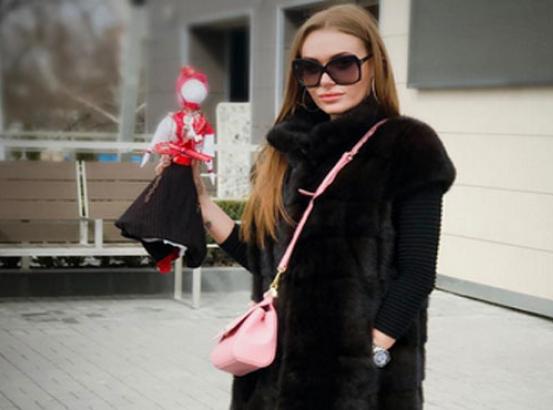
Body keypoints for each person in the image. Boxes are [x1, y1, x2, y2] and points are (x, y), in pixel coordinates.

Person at [162, 4, 455, 409]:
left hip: (358, 387)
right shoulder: (286, 150)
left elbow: (417, 273)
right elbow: (267, 261)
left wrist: (368, 353)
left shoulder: (407, 146)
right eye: (310, 69)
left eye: (343, 65)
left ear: (374, 65)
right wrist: (203, 205)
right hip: (273, 376)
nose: (326, 81)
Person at [115, 66, 215, 273]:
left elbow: (208, 150)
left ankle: (172, 252)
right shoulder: (174, 119)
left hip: (188, 175)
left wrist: (209, 166)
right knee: (138, 218)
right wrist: (151, 153)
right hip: (172, 172)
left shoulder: (203, 124)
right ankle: (164, 253)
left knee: (184, 218)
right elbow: (158, 140)